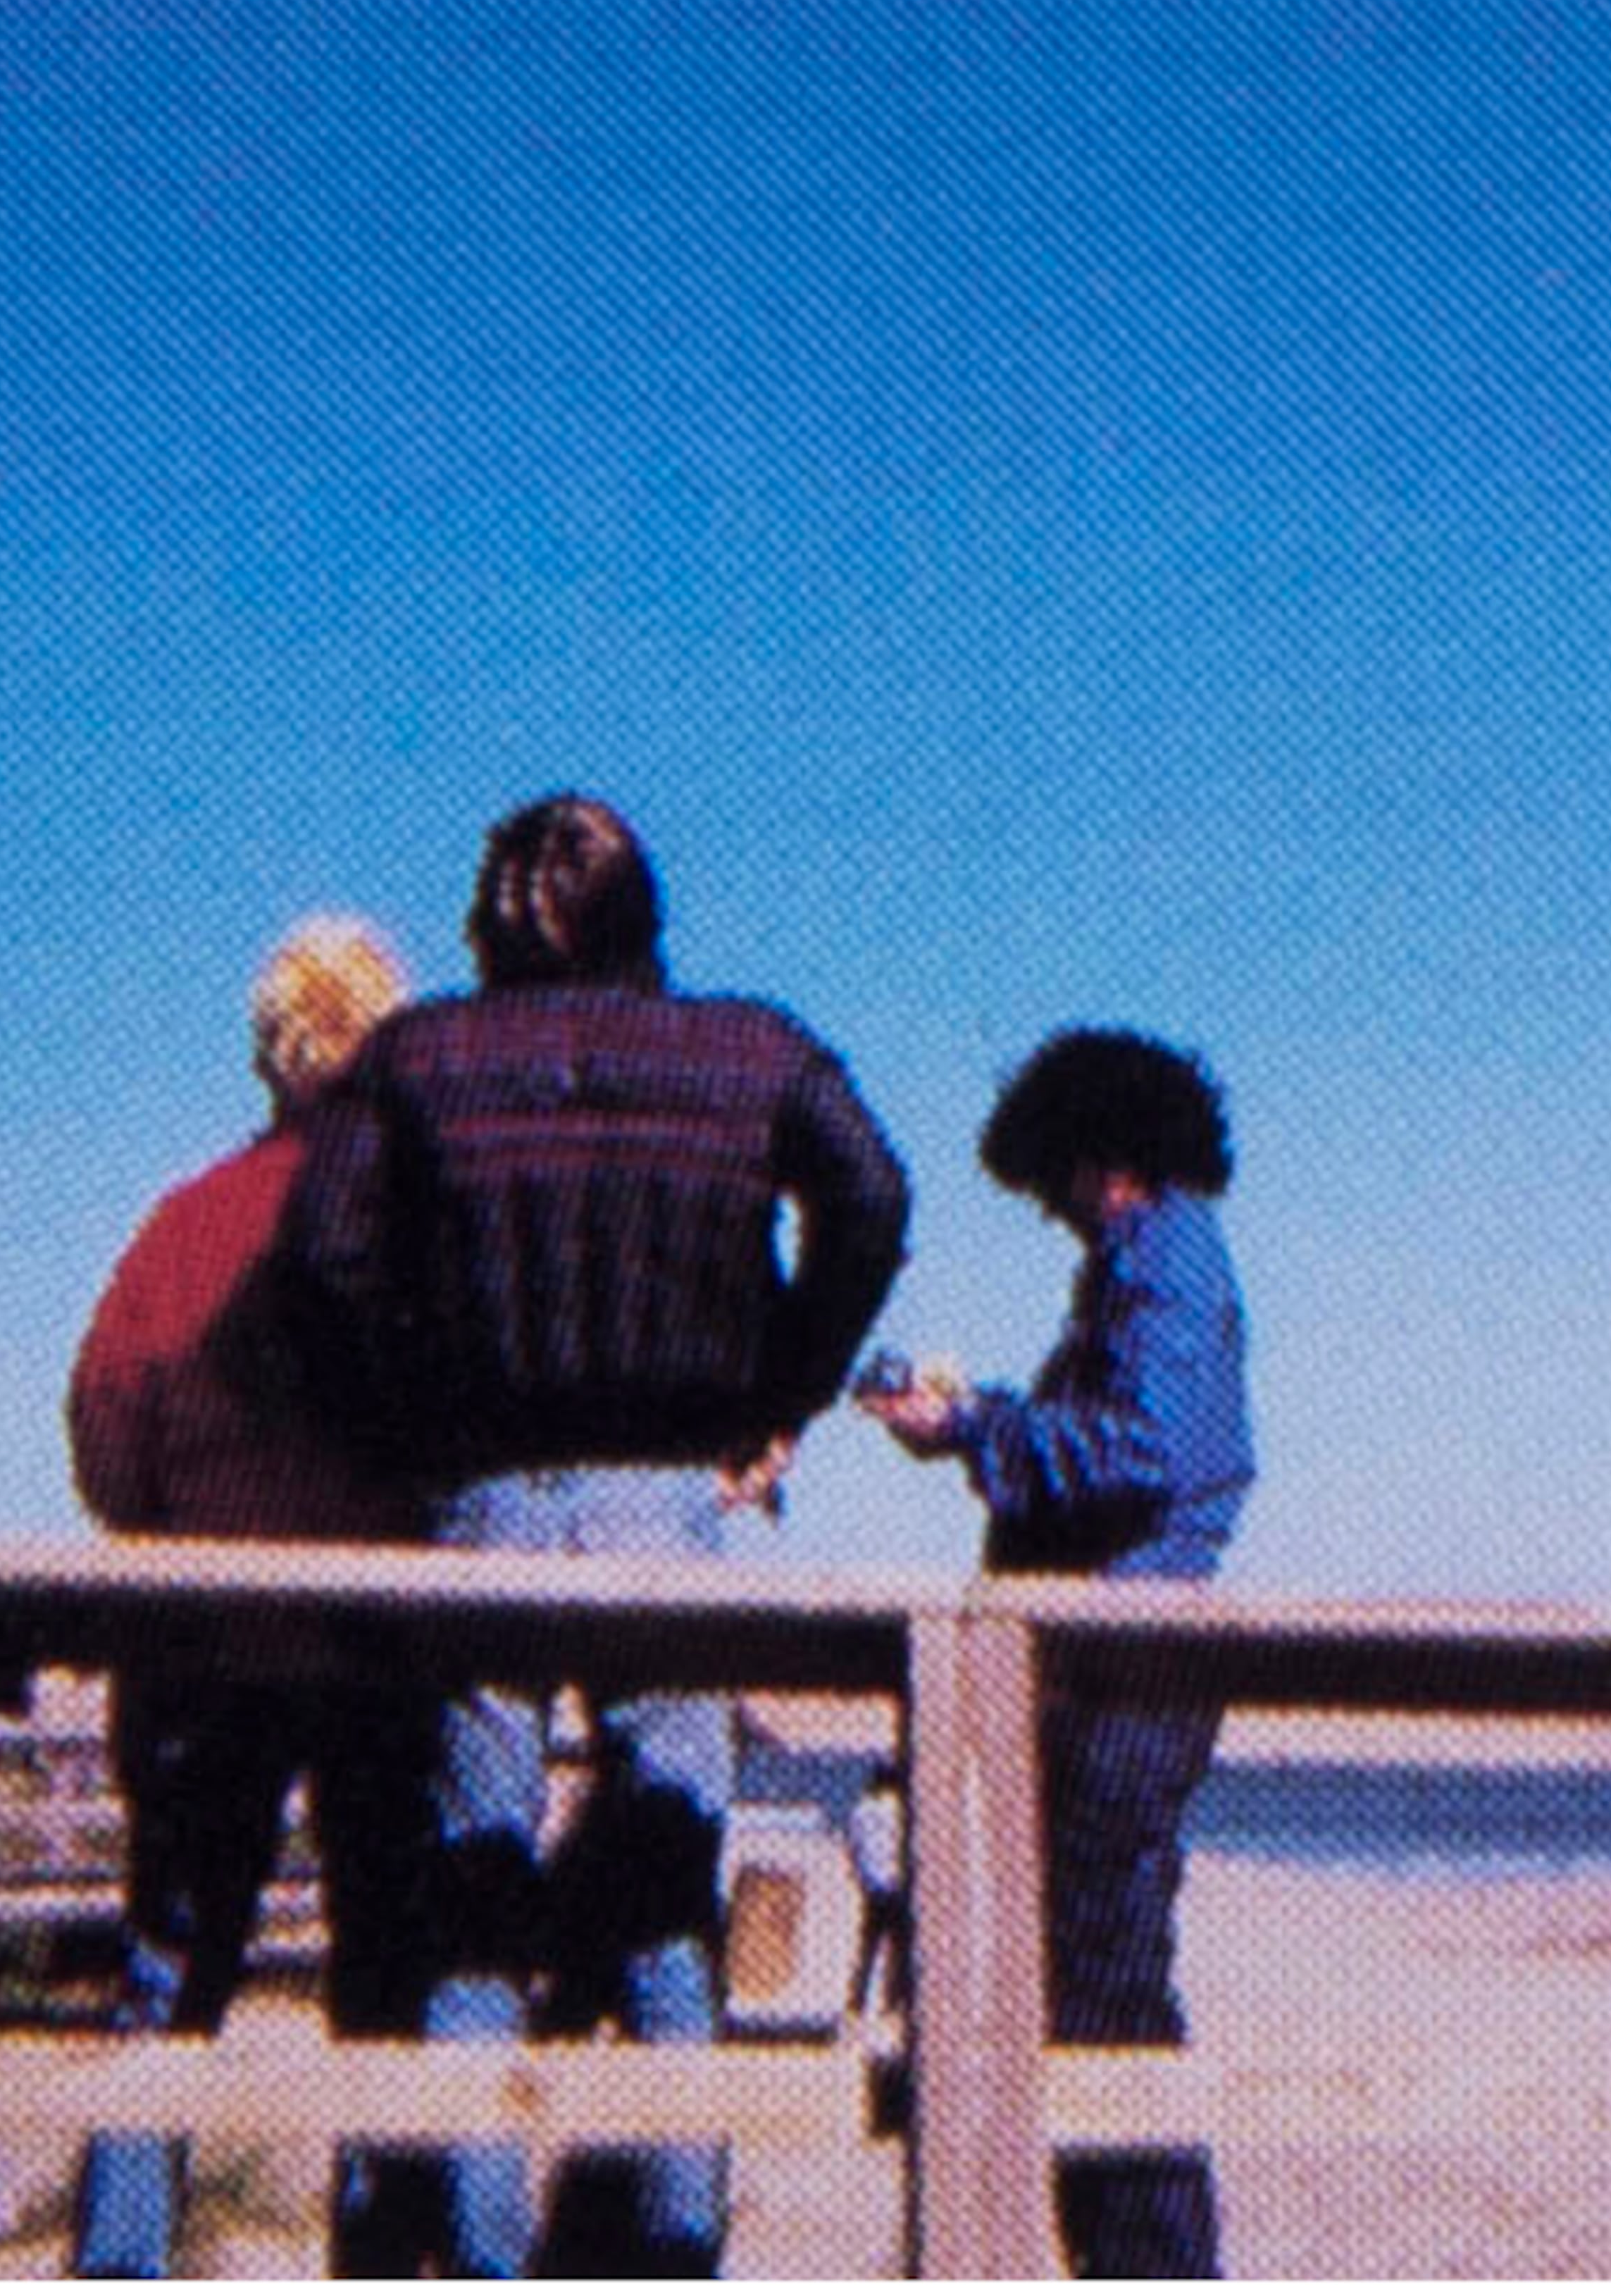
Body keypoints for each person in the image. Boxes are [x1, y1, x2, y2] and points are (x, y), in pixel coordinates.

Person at [282, 793, 909, 2281]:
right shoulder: (752, 1050)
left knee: (476, 1900)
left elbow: (325, 1253)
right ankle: (676, 2251)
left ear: (489, 923)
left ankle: (493, 2263)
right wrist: (781, 1389)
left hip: (483, 1504)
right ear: (647, 913)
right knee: (665, 1894)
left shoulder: (420, 1056)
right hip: (666, 1508)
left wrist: (411, 1410)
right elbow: (872, 1192)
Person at [859, 1026, 1254, 2284]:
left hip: (1129, 1671)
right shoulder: (1145, 1264)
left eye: (1054, 1183)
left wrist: (977, 1425)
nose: (1053, 1212)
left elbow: (1145, 1451)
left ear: (1096, 1157)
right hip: (1112, 1669)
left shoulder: (1169, 1257)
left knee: (1108, 2003)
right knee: (1094, 1995)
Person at [67, 910, 426, 2142]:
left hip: (207, 1633)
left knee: (172, 1965)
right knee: (385, 1968)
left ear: (270, 1051)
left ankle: (127, 2262)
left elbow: (108, 1426)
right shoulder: (416, 1233)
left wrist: (175, 1522)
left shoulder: (188, 1225)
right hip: (379, 1638)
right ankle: (380, 2257)